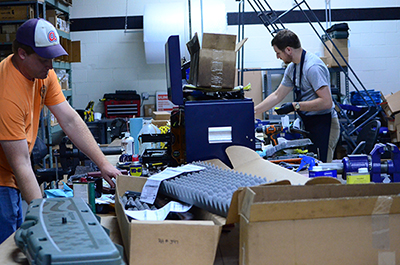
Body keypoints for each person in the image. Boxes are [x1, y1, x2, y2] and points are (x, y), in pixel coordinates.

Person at [0, 18, 121, 244]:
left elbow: (70, 120)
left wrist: (103, 163)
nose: (51, 66)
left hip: (14, 168)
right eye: (45, 60)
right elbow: (21, 164)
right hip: (2, 175)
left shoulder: (42, 73)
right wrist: (43, 219)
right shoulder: (6, 93)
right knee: (7, 244)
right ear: (23, 54)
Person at [254, 29, 340, 163]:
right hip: (310, 124)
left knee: (322, 169)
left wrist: (295, 106)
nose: (278, 57)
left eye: (278, 53)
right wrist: (253, 111)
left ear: (288, 50)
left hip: (325, 124)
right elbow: (277, 95)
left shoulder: (313, 67)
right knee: (310, 166)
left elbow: (326, 102)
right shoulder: (292, 68)